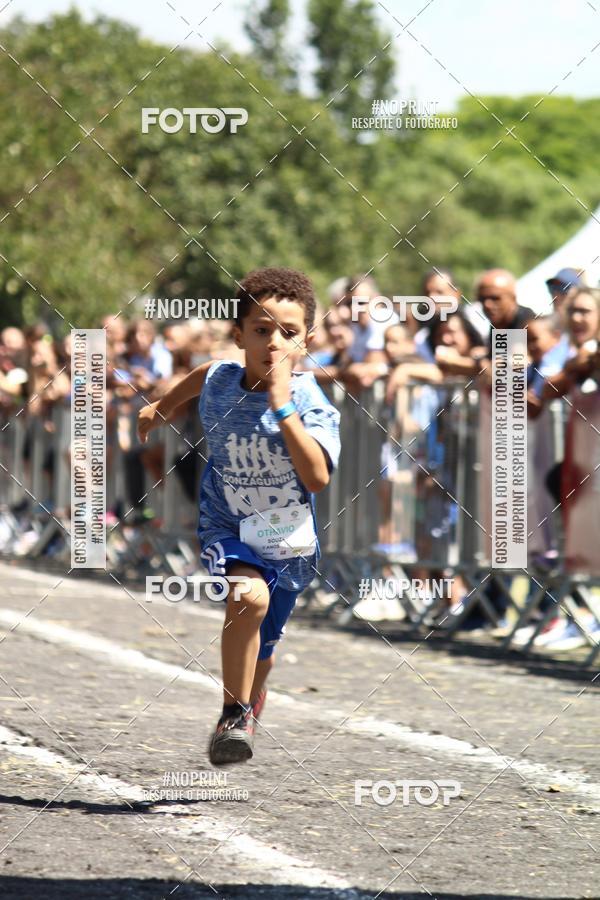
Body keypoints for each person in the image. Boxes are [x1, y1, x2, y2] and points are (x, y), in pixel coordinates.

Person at [137, 267, 341, 765]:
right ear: (239, 334)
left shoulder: (312, 400)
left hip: (289, 541)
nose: (274, 342)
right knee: (248, 597)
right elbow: (205, 375)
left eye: (288, 333)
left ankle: (249, 701)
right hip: (227, 524)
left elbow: (316, 478)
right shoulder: (223, 379)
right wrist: (160, 407)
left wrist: (282, 406)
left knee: (264, 652)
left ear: (307, 339)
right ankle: (233, 714)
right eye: (262, 329)